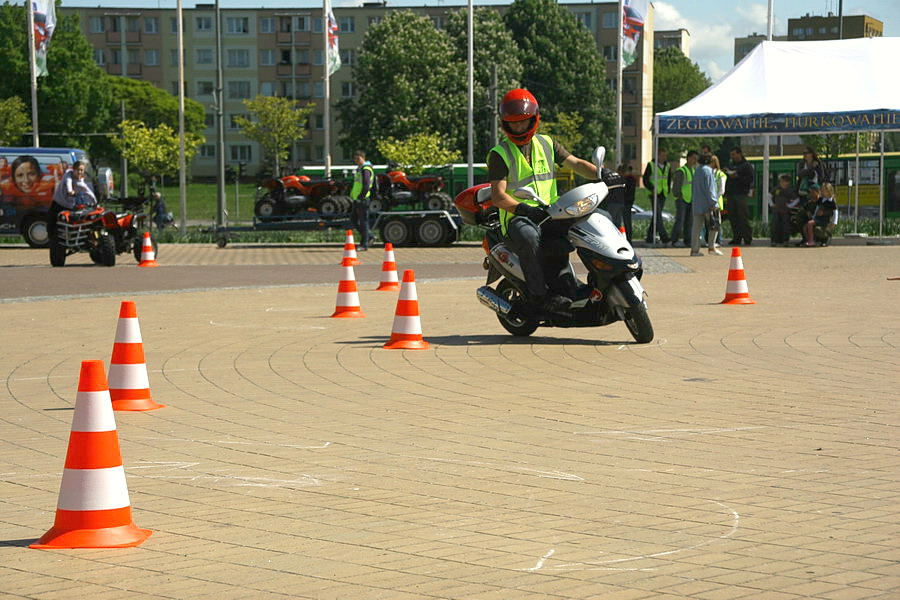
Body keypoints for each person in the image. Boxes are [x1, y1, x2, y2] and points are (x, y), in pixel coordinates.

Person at [488, 88, 601, 314]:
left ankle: (591, 282)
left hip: (552, 212)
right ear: (505, 124)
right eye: (513, 123)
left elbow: (576, 163)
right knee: (529, 237)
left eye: (523, 122)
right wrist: (525, 211)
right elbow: (498, 196)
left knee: (589, 224)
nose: (519, 127)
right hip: (517, 218)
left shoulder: (547, 143)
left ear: (534, 119)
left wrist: (601, 173)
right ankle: (539, 296)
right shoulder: (499, 153)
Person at [48, 161, 97, 240]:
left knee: (71, 225)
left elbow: (89, 192)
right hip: (57, 204)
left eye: (81, 170)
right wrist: (70, 191)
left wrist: (95, 203)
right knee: (51, 224)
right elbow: (68, 183)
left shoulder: (80, 183)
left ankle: (73, 240)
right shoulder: (68, 175)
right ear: (73, 169)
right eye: (78, 170)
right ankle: (53, 242)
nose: (79, 172)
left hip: (68, 207)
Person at [689, 153, 722, 256]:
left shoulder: (697, 171)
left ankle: (695, 250)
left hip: (697, 204)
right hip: (708, 205)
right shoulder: (708, 171)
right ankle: (711, 247)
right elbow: (710, 189)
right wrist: (713, 202)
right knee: (715, 224)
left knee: (696, 228)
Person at [724, 146, 754, 246]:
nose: (732, 157)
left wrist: (737, 176)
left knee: (742, 217)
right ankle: (736, 238)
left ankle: (747, 238)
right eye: (731, 155)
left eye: (734, 154)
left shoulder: (746, 165)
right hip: (731, 195)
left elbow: (750, 179)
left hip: (741, 194)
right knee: (733, 217)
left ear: (739, 154)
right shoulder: (731, 165)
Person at [642, 147, 671, 245]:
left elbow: (669, 179)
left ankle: (650, 236)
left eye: (665, 155)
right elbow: (645, 179)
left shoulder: (668, 166)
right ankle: (664, 237)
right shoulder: (651, 165)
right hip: (654, 193)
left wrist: (668, 190)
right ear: (657, 156)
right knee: (658, 215)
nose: (664, 157)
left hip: (663, 193)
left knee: (656, 216)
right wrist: (651, 188)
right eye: (662, 155)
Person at [669, 150, 698, 247]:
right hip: (682, 199)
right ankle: (674, 240)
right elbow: (676, 187)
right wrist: (678, 196)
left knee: (689, 222)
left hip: (691, 199)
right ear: (688, 158)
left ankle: (687, 240)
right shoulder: (681, 171)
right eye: (693, 158)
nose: (695, 160)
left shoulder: (693, 171)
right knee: (680, 220)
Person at [349, 150, 375, 251]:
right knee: (354, 220)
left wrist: (361, 197)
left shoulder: (366, 169)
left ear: (360, 157)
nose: (355, 161)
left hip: (362, 200)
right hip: (357, 199)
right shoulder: (360, 169)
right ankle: (369, 236)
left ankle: (364, 244)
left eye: (356, 159)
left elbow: (366, 185)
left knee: (363, 221)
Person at [803, 181, 838, 247]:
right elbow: (817, 208)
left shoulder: (831, 202)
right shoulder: (821, 199)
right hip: (818, 218)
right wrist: (814, 217)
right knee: (807, 226)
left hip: (825, 220)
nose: (822, 192)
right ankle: (810, 240)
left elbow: (835, 212)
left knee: (810, 224)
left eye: (824, 190)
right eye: (822, 190)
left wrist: (834, 222)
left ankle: (812, 241)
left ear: (829, 191)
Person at [769, 174, 798, 246]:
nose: (782, 183)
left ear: (788, 182)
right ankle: (774, 241)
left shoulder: (790, 190)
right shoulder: (776, 189)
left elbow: (796, 199)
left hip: (786, 211)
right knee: (775, 225)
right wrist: (772, 204)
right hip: (776, 210)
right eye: (781, 181)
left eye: (783, 181)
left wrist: (790, 206)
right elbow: (769, 196)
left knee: (785, 226)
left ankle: (785, 241)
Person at [618, 164, 637, 242]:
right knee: (627, 222)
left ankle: (627, 239)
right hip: (628, 202)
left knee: (622, 222)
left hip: (625, 202)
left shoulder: (627, 180)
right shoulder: (631, 179)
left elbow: (625, 191)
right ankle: (629, 239)